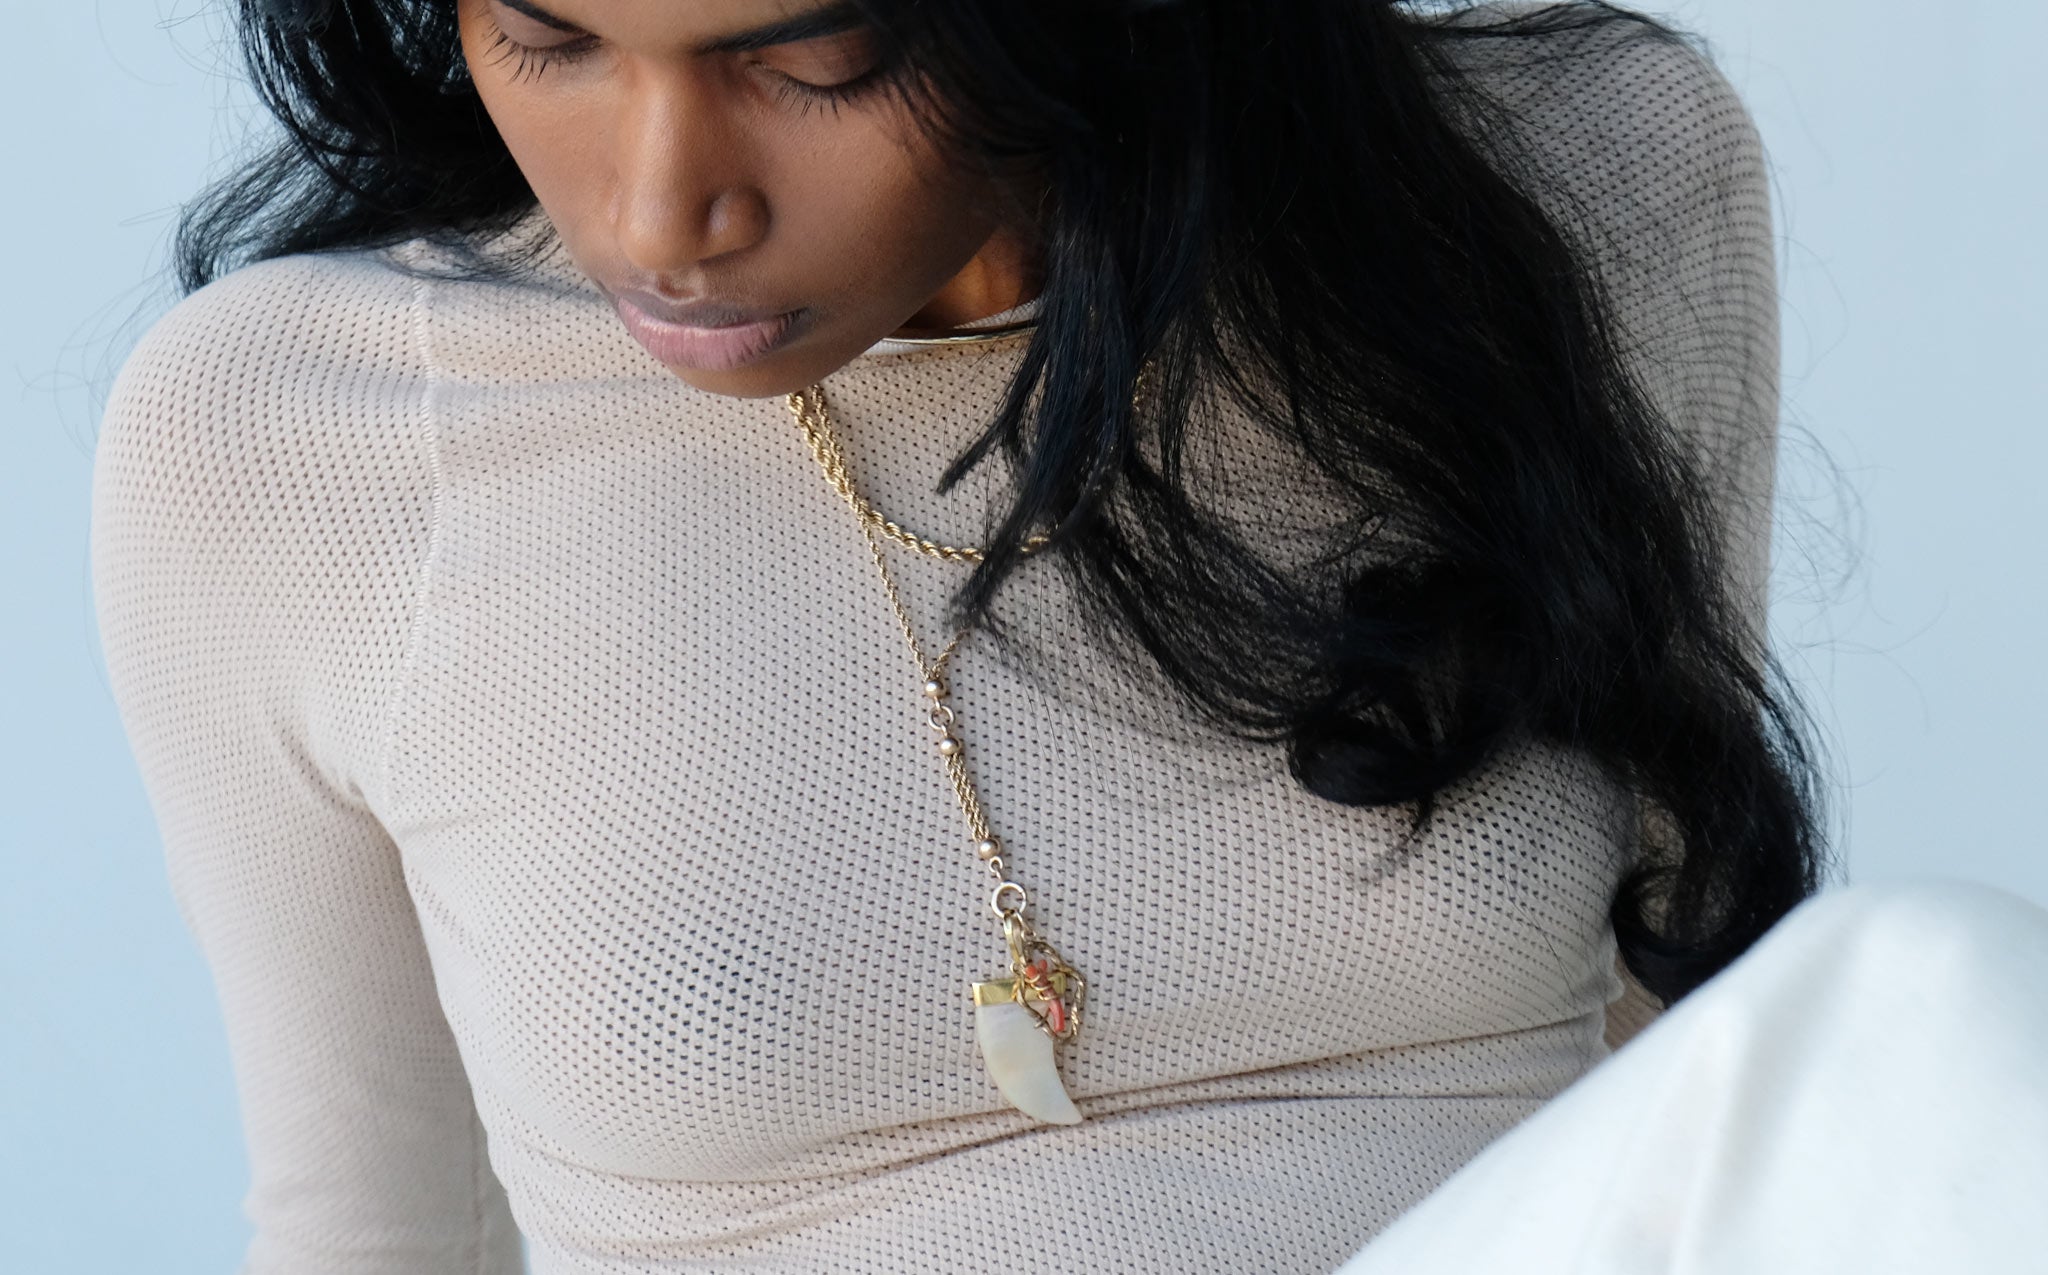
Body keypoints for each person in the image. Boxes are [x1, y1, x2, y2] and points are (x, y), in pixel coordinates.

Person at [93, 0, 2037, 1271]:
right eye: (548, 36)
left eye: (813, 54)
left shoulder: (1584, 180)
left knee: (1919, 1001)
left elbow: (1690, 1065)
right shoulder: (294, 437)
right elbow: (373, 1239)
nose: (665, 207)